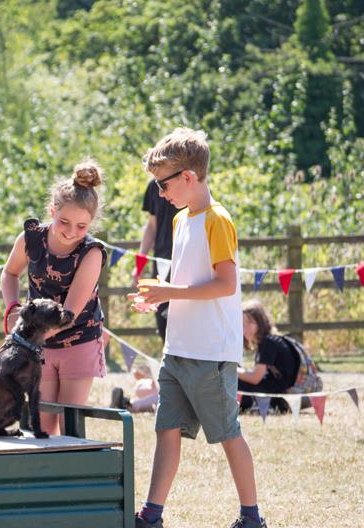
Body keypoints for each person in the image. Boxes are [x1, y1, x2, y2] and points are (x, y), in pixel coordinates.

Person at [130, 128, 267, 528]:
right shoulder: (177, 221)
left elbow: (226, 284)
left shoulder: (218, 220)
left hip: (211, 354)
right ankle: (151, 514)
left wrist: (168, 290)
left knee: (227, 434)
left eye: (163, 184)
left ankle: (251, 517)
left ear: (189, 177)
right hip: (177, 350)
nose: (159, 193)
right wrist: (157, 297)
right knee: (166, 429)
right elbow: (189, 279)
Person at [1, 160, 107, 436]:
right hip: (38, 345)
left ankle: (76, 476)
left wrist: (24, 336)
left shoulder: (92, 252)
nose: (71, 232)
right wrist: (12, 309)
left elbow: (68, 314)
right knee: (42, 425)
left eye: (81, 226)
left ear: (91, 223)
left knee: (70, 424)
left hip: (79, 338)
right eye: (64, 222)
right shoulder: (30, 239)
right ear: (52, 211)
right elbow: (10, 273)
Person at [134, 179, 180, 341]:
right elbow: (152, 225)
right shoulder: (153, 186)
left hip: (183, 262)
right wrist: (139, 265)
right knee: (161, 320)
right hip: (160, 262)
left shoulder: (187, 182)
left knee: (181, 319)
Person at [238, 300, 299, 413]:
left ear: (261, 322)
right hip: (274, 390)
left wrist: (232, 371)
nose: (245, 328)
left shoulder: (269, 342)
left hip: (277, 395)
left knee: (233, 382)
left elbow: (255, 378)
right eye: (242, 324)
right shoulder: (266, 342)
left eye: (250, 323)